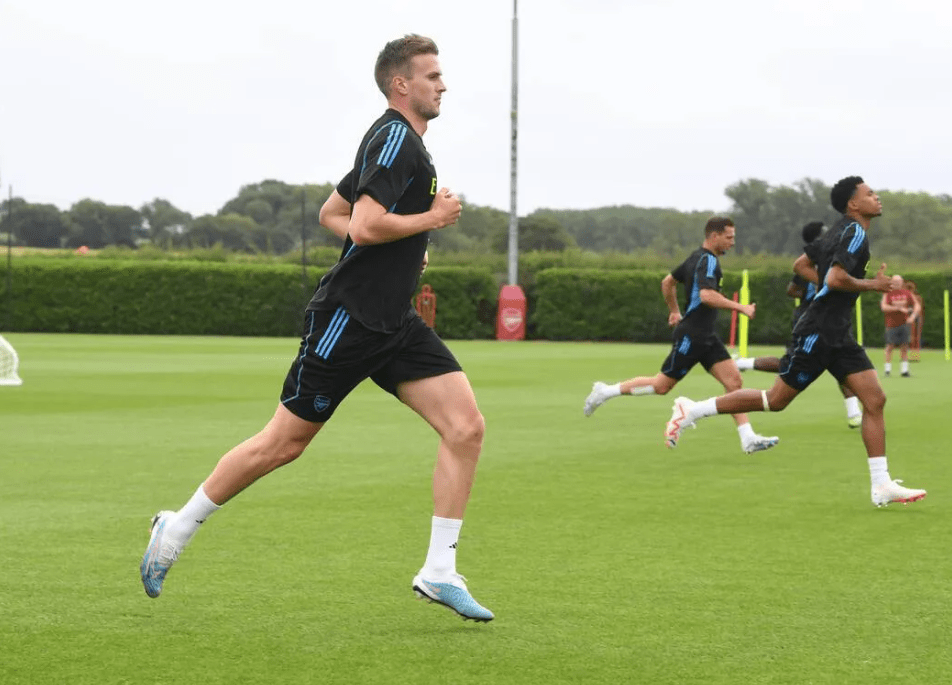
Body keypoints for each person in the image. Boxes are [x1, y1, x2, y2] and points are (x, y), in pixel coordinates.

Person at [140, 34, 494, 622]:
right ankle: (175, 528)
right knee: (284, 443)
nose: (443, 85)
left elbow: (334, 213)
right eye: (432, 75)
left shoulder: (397, 142)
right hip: (349, 321)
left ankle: (438, 572)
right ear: (400, 84)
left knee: (466, 427)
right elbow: (362, 225)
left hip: (394, 322)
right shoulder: (394, 139)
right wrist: (432, 220)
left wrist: (410, 248)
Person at [664, 176, 926, 508]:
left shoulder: (837, 231)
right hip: (819, 330)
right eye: (870, 194)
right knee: (775, 400)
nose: (877, 197)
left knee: (874, 400)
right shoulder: (854, 233)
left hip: (837, 332)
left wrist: (840, 286)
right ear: (853, 204)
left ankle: (881, 484)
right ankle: (693, 410)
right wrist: (873, 285)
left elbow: (801, 265)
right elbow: (834, 277)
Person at [583, 217, 779, 455]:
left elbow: (668, 282)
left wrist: (675, 311)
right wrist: (741, 308)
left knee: (734, 382)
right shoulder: (706, 261)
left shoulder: (696, 257)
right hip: (693, 335)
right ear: (714, 236)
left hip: (706, 336)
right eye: (729, 237)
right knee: (661, 385)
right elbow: (707, 296)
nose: (733, 242)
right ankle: (606, 391)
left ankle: (747, 437)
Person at [733, 221, 863, 429]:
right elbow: (792, 288)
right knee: (791, 365)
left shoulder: (834, 259)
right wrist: (818, 291)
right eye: (825, 232)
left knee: (841, 362)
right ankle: (741, 365)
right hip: (811, 318)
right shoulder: (814, 263)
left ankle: (854, 412)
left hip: (832, 318)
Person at [880, 274, 920, 377]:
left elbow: (917, 305)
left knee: (904, 346)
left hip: (904, 324)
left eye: (899, 282)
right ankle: (887, 370)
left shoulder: (907, 293)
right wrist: (897, 309)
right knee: (890, 346)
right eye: (895, 282)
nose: (897, 283)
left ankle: (904, 370)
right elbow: (884, 307)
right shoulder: (887, 293)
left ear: (902, 282)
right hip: (891, 324)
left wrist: (913, 316)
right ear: (892, 282)